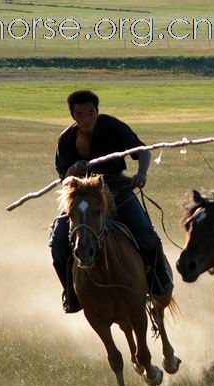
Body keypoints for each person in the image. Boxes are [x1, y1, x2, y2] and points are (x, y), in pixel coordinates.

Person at [49, 89, 173, 313]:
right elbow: (63, 178)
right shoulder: (66, 139)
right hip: (81, 197)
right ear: (73, 116)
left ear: (97, 111)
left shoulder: (113, 127)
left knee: (146, 234)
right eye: (80, 114)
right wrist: (72, 171)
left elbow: (142, 151)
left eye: (90, 113)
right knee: (58, 242)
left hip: (117, 190)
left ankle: (159, 283)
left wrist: (142, 173)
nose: (86, 119)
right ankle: (72, 293)